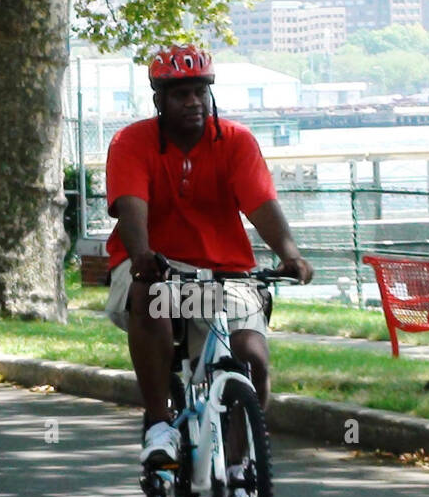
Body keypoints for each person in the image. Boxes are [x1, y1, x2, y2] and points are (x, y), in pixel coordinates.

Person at [104, 44, 313, 469]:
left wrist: (290, 254)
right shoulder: (132, 141)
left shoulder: (236, 141)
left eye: (200, 92)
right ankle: (160, 426)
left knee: (251, 358)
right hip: (156, 266)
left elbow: (261, 205)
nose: (193, 101)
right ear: (159, 100)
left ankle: (239, 468)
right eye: (181, 94)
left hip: (226, 274)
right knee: (151, 294)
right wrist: (142, 254)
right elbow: (131, 206)